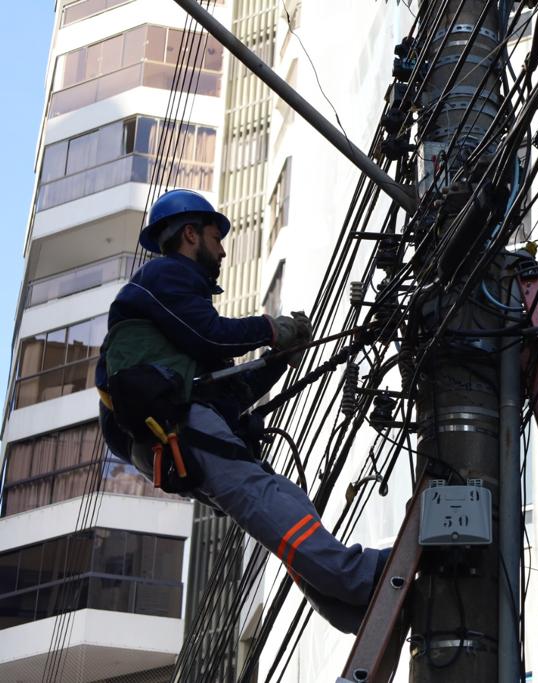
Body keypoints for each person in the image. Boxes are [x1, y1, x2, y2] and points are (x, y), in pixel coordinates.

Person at [96, 189, 388, 634]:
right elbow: (213, 336)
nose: (224, 248)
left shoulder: (174, 324)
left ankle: (347, 607)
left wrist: (279, 361)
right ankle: (359, 579)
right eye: (216, 235)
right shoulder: (166, 276)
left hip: (173, 432)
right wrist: (274, 329)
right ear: (190, 233)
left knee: (279, 499)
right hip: (176, 426)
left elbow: (229, 394)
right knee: (264, 498)